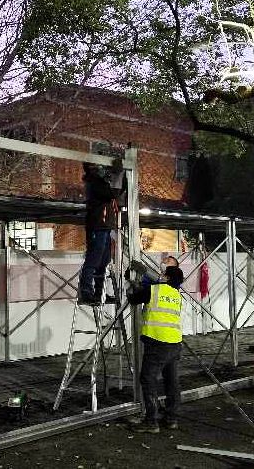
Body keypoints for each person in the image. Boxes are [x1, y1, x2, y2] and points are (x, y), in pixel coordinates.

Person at [127, 265, 185, 433]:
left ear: (167, 278)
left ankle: (151, 421)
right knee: (171, 381)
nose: (160, 275)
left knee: (147, 379)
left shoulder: (154, 290)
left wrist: (131, 285)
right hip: (175, 343)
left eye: (163, 274)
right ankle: (171, 419)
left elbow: (133, 299)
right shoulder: (177, 295)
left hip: (158, 342)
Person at [78, 158, 125, 305]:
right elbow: (113, 193)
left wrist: (119, 177)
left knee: (103, 261)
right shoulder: (94, 182)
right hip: (97, 226)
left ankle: (99, 293)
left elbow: (115, 193)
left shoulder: (99, 181)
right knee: (94, 259)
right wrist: (118, 175)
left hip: (104, 226)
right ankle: (86, 293)